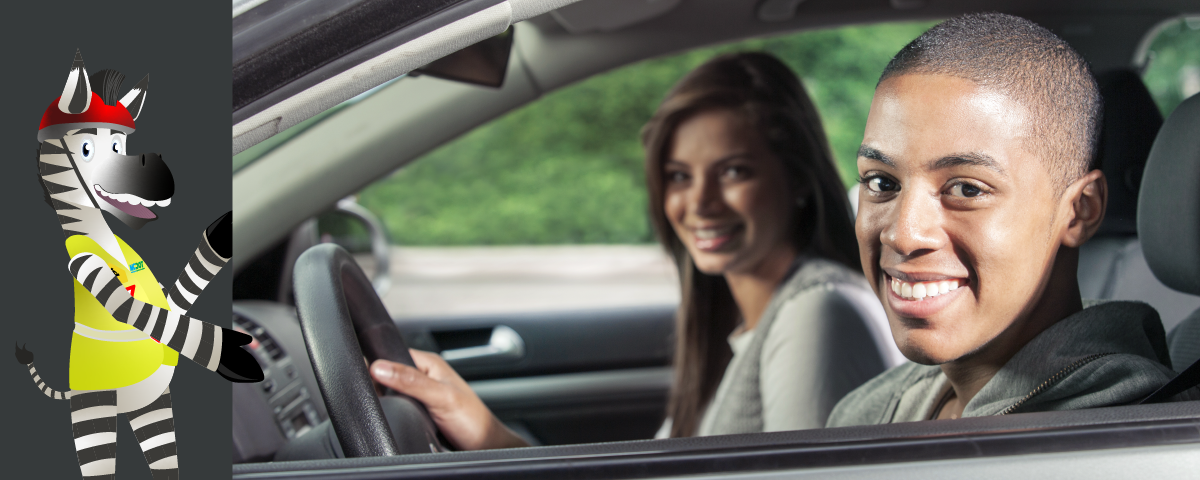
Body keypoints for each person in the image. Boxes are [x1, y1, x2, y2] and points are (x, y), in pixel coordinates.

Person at [369, 52, 903, 450]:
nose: (699, 203)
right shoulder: (748, 323)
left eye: (733, 171)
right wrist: (485, 432)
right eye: (679, 176)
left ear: (797, 178)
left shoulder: (817, 310)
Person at [828, 13, 1193, 427]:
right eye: (881, 182)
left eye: (967, 190)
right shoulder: (867, 409)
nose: (904, 234)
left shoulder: (1124, 430)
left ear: (1079, 210)